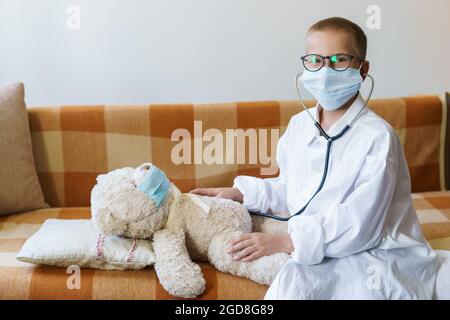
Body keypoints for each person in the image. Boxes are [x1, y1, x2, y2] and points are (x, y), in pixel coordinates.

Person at [190, 17, 438, 299]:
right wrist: (239, 193)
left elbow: (361, 223)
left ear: (362, 68)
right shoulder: (299, 125)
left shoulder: (378, 137)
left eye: (339, 59)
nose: (325, 71)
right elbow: (296, 190)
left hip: (373, 250)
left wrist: (287, 241)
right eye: (315, 60)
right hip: (318, 243)